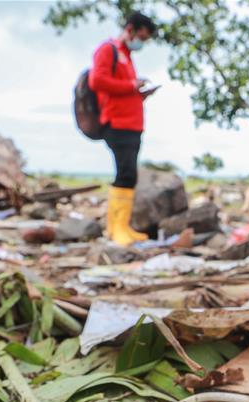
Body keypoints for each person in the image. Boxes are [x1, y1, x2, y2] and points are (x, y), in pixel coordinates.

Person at [89, 11, 158, 245]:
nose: (142, 42)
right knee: (124, 173)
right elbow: (96, 81)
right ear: (131, 29)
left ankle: (122, 227)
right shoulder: (109, 50)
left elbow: (124, 90)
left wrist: (139, 94)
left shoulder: (126, 55)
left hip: (132, 124)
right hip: (116, 124)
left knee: (129, 176)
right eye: (142, 36)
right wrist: (131, 85)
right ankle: (115, 230)